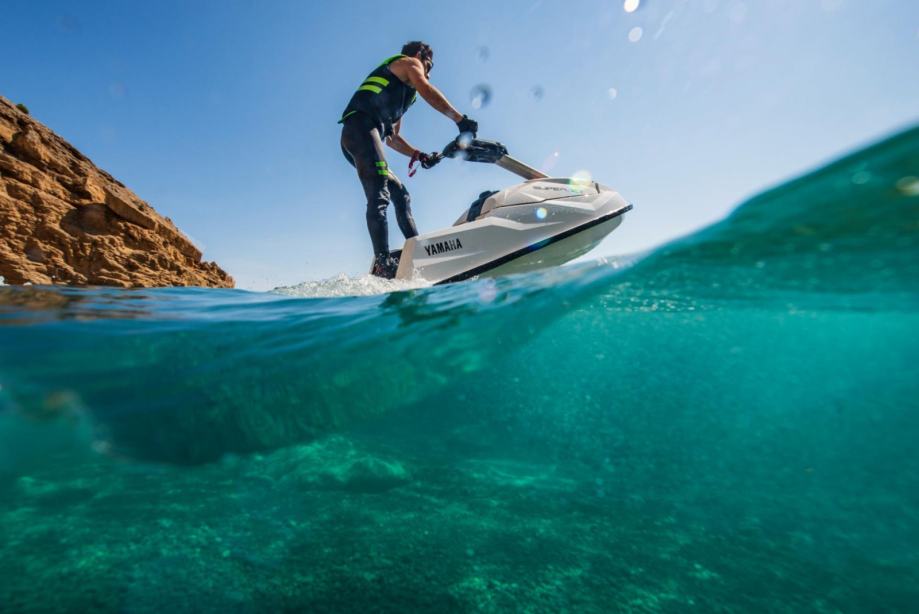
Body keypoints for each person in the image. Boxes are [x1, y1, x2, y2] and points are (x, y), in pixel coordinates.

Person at [339, 41, 479, 278]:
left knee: (401, 195)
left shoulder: (405, 95)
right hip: (359, 128)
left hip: (362, 136)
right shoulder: (409, 63)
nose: (429, 72)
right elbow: (426, 88)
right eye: (429, 65)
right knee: (379, 193)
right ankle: (383, 265)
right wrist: (460, 120)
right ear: (418, 55)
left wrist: (419, 155)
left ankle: (420, 256)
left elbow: (393, 139)